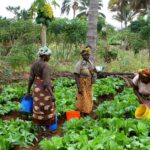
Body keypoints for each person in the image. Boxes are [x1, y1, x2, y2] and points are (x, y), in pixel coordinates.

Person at [27, 46, 55, 126]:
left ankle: (39, 128)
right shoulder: (45, 65)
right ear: (44, 56)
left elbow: (31, 79)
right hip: (44, 90)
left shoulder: (34, 64)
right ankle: (46, 129)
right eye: (49, 55)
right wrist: (52, 95)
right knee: (46, 108)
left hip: (36, 89)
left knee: (38, 107)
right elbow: (46, 83)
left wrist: (28, 91)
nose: (49, 57)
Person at [74, 45, 97, 116]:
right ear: (82, 56)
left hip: (88, 84)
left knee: (89, 98)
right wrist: (79, 87)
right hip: (82, 83)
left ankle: (87, 112)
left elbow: (92, 71)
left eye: (88, 55)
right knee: (83, 99)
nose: (87, 56)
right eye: (86, 55)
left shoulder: (90, 62)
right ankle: (82, 113)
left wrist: (94, 74)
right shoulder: (79, 64)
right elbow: (76, 75)